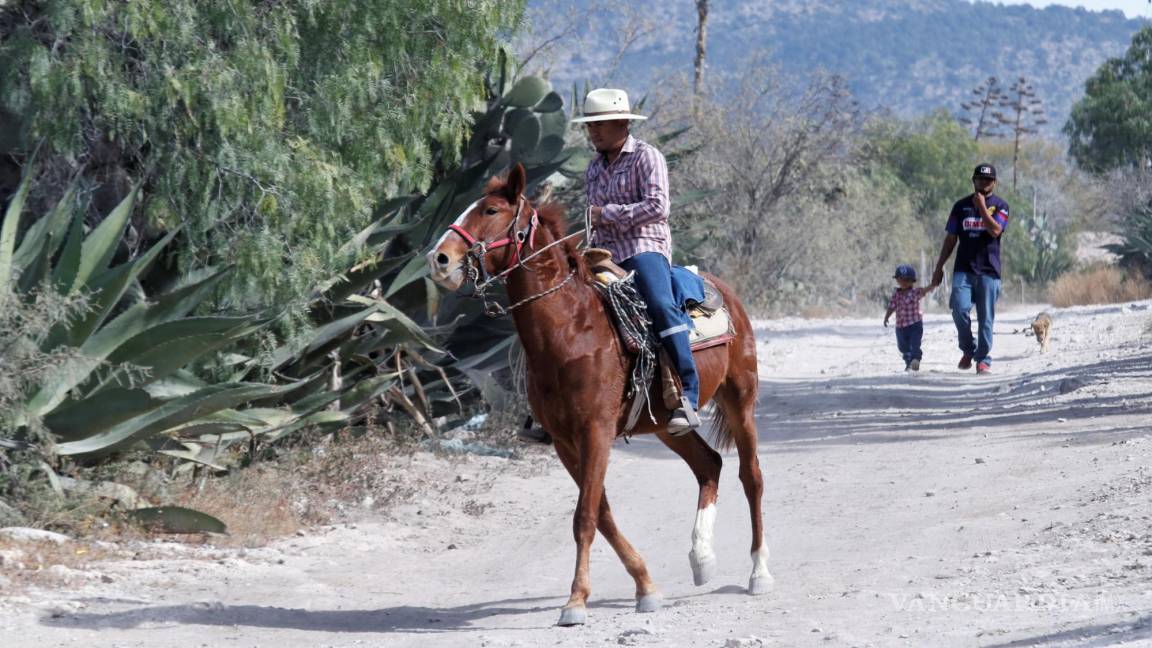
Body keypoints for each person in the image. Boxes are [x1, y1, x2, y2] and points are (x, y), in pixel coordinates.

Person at [572, 88, 701, 435]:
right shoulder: (593, 169)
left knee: (659, 304)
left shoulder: (647, 157)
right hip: (603, 252)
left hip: (643, 247)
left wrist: (607, 214)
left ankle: (688, 394)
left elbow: (659, 207)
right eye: (590, 126)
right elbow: (592, 220)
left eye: (601, 124)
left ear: (623, 123)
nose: (594, 132)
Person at [930, 163, 1009, 375]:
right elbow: (951, 238)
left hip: (989, 271)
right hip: (963, 268)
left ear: (994, 182)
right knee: (959, 308)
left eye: (988, 180)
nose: (983, 183)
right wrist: (939, 267)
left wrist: (982, 206)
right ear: (973, 180)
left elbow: (995, 230)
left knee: (985, 318)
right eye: (979, 179)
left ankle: (983, 359)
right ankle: (968, 348)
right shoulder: (960, 206)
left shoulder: (1001, 206)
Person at [883, 264, 936, 371]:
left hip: (915, 324)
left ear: (912, 281)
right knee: (903, 347)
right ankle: (908, 363)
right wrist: (886, 317)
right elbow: (891, 307)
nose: (904, 283)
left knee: (915, 344)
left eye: (907, 280)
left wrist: (933, 284)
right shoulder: (896, 295)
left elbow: (925, 290)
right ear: (897, 280)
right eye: (901, 280)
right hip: (900, 327)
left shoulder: (915, 292)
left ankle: (915, 359)